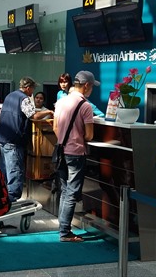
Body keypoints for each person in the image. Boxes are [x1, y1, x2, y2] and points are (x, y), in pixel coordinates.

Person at [53, 70, 97, 242]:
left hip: (61, 150)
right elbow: (89, 135)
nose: (92, 89)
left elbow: (56, 127)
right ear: (86, 85)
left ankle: (62, 227)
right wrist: (76, 137)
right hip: (76, 153)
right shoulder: (85, 106)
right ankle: (65, 232)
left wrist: (65, 138)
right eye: (92, 86)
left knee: (64, 190)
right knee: (72, 193)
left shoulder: (61, 102)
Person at [0, 77, 42, 202]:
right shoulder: (24, 98)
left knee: (4, 170)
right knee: (15, 171)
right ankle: (11, 200)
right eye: (32, 88)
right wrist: (50, 113)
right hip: (14, 140)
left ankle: (2, 198)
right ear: (27, 88)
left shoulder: (10, 96)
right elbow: (34, 116)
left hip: (3, 138)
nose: (33, 91)